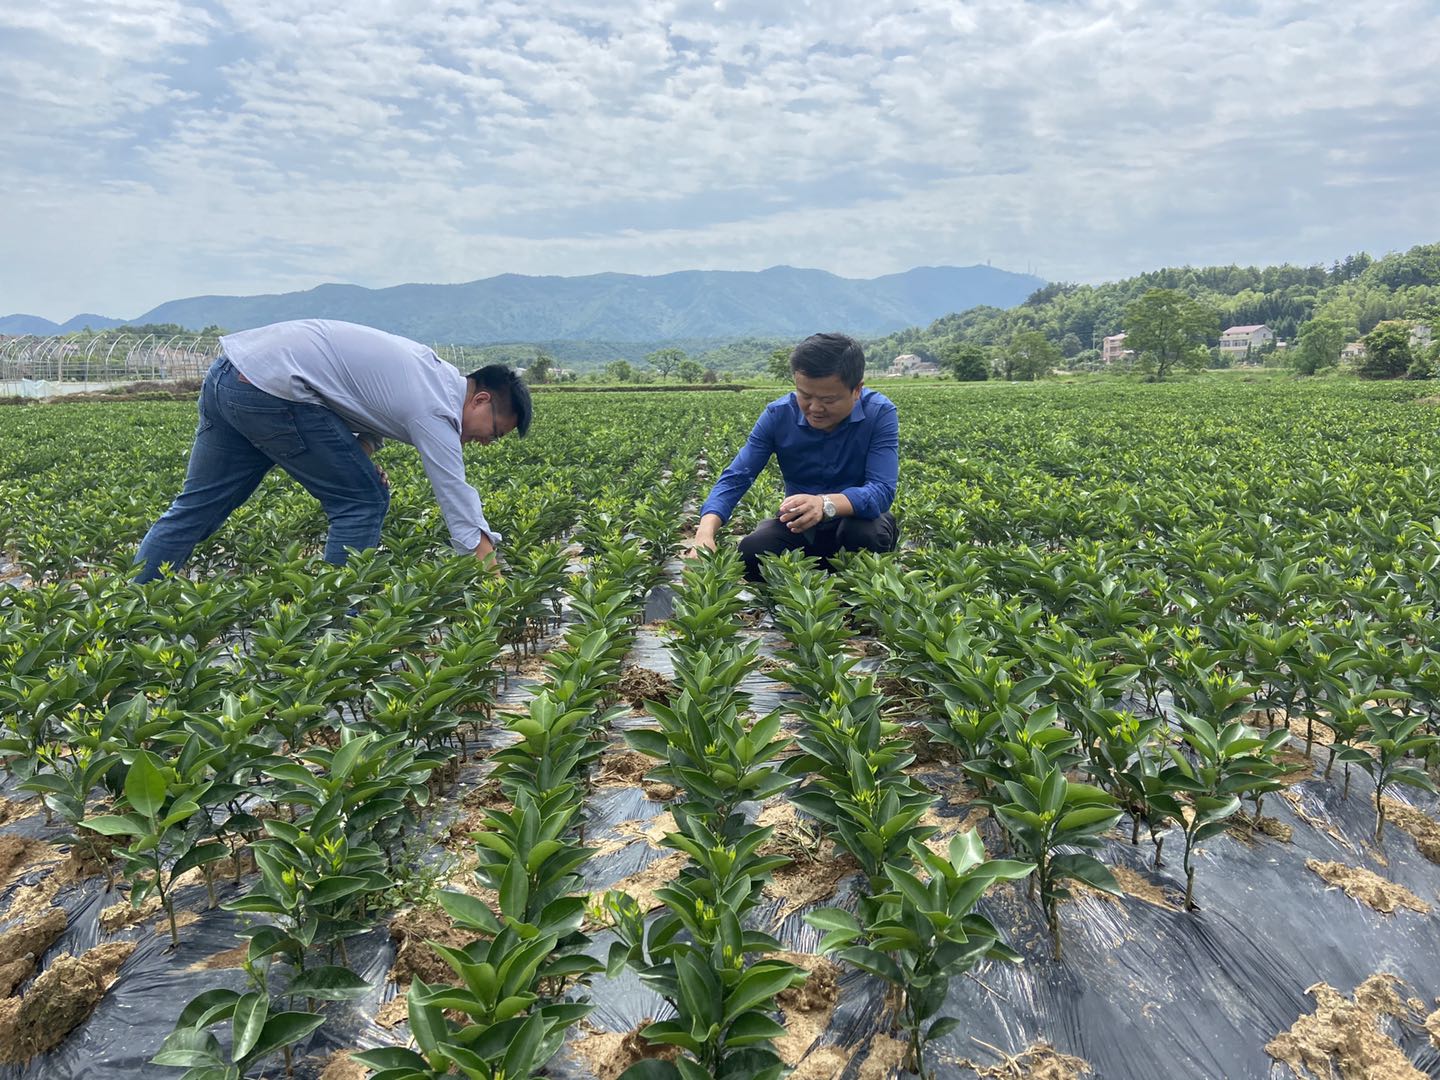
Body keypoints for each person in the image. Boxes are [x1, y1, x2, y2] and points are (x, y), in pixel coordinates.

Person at [134, 318, 530, 582]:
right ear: (479, 400)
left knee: (197, 505)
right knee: (363, 501)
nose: (484, 443)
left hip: (231, 375)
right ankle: (337, 626)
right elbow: (457, 500)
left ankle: (127, 605)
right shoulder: (434, 407)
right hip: (272, 389)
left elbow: (366, 405)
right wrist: (493, 583)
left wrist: (359, 454)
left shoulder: (430, 376)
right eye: (493, 433)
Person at [690, 332, 898, 580]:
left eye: (828, 399)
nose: (815, 408)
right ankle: (791, 608)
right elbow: (737, 476)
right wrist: (704, 534)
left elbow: (882, 491)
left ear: (857, 390)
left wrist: (824, 504)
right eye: (805, 395)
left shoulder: (879, 413)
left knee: (866, 535)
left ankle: (858, 605)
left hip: (856, 522)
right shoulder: (779, 415)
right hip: (800, 525)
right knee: (753, 551)